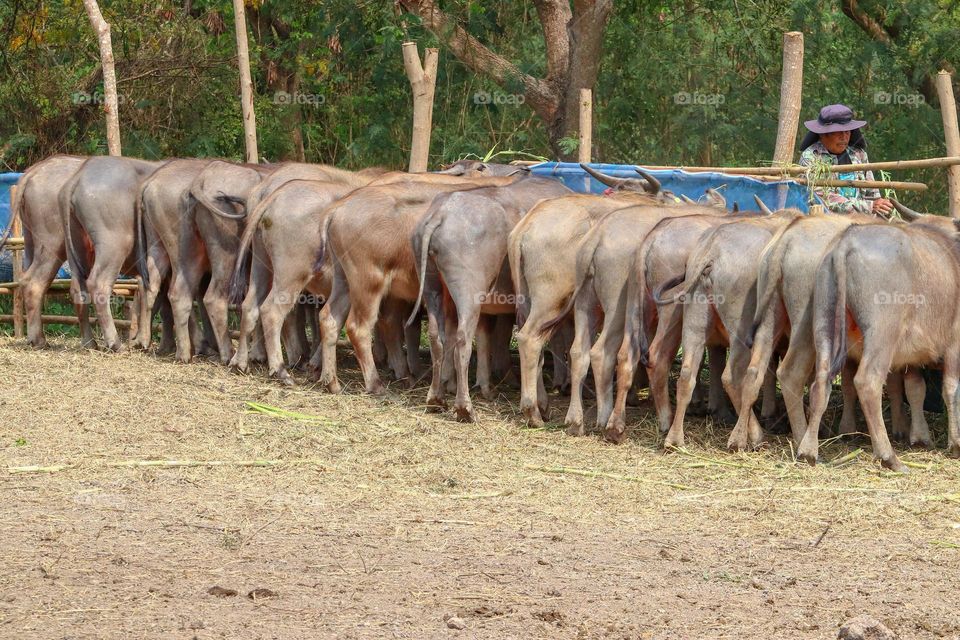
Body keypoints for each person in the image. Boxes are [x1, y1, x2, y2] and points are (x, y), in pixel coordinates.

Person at [798, 104, 893, 215]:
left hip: (861, 218)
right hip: (826, 219)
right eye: (838, 132)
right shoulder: (811, 157)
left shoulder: (858, 154)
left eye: (847, 131)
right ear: (823, 134)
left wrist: (880, 205)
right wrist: (868, 207)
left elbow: (871, 192)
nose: (844, 137)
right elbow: (822, 198)